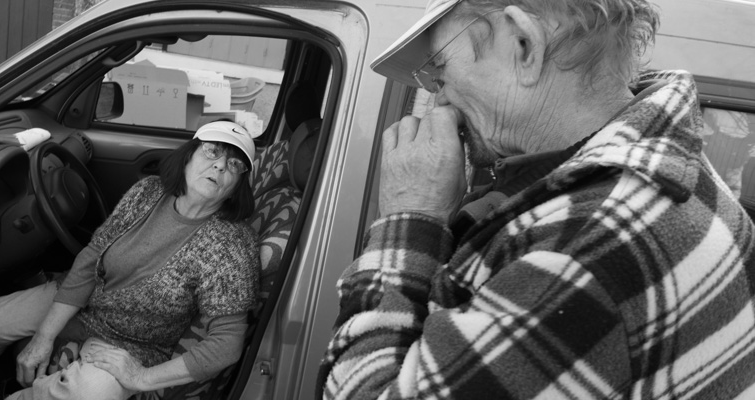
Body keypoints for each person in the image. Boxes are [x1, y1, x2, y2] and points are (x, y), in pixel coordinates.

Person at [319, 0, 755, 399]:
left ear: (524, 45)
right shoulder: (670, 169)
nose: (439, 96)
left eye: (440, 68)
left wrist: (409, 215)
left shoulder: (586, 245)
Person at [0, 121, 260, 398]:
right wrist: (44, 337)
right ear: (188, 156)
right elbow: (93, 257)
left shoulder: (232, 243)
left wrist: (141, 377)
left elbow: (226, 345)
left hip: (133, 341)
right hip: (85, 300)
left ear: (235, 188)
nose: (220, 165)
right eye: (212, 151)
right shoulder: (149, 191)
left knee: (90, 392)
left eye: (235, 164)